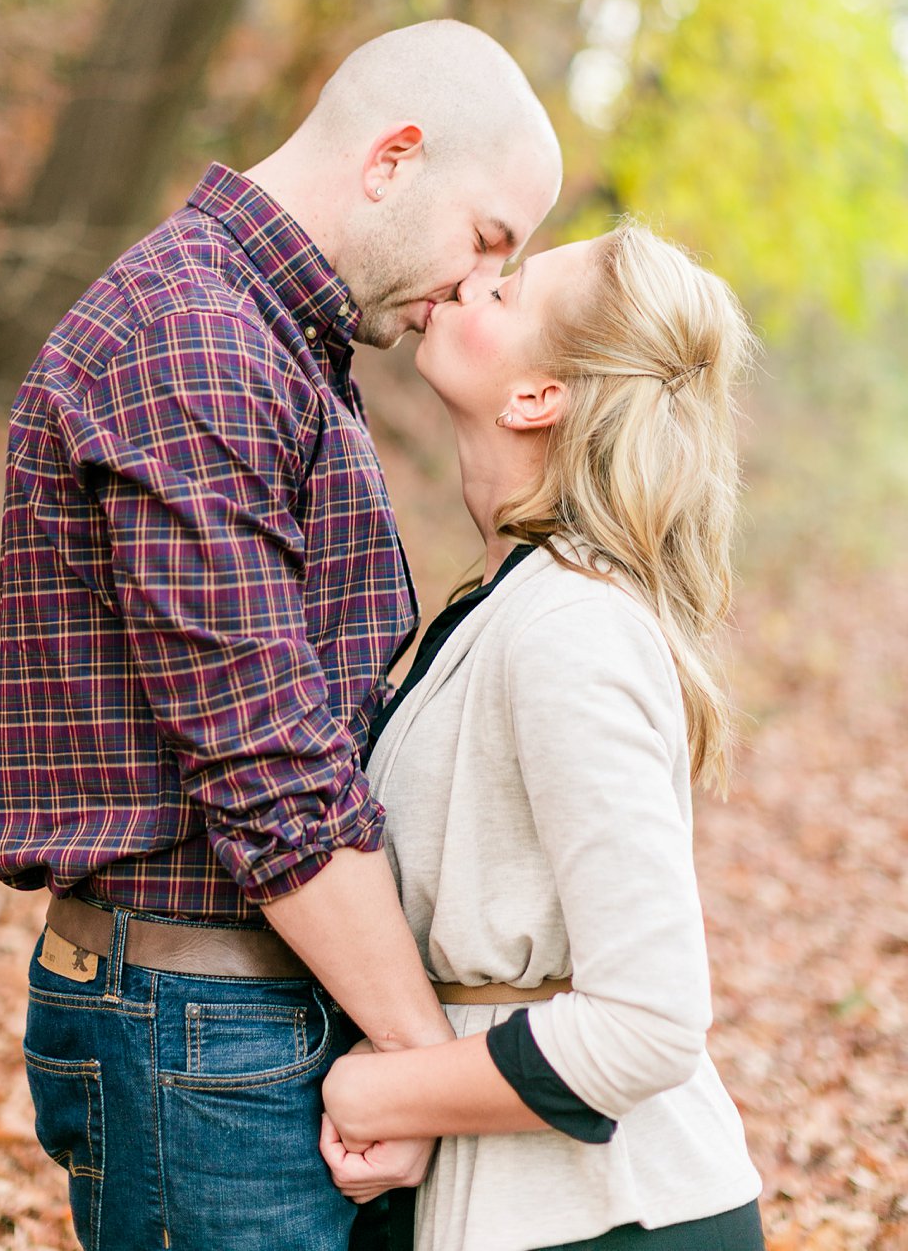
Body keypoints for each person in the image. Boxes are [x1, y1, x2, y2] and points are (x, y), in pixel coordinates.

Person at [0, 20, 563, 1249]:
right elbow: (271, 768)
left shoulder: (271, 334)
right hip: (201, 1023)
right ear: (391, 158)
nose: (474, 291)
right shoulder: (195, 339)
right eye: (484, 241)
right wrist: (417, 1062)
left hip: (239, 1009)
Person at [319, 223, 765, 1249]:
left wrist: (380, 1086)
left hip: (614, 1218)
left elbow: (646, 1019)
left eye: (507, 291)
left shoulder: (569, 625)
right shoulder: (513, 597)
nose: (473, 282)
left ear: (535, 397)